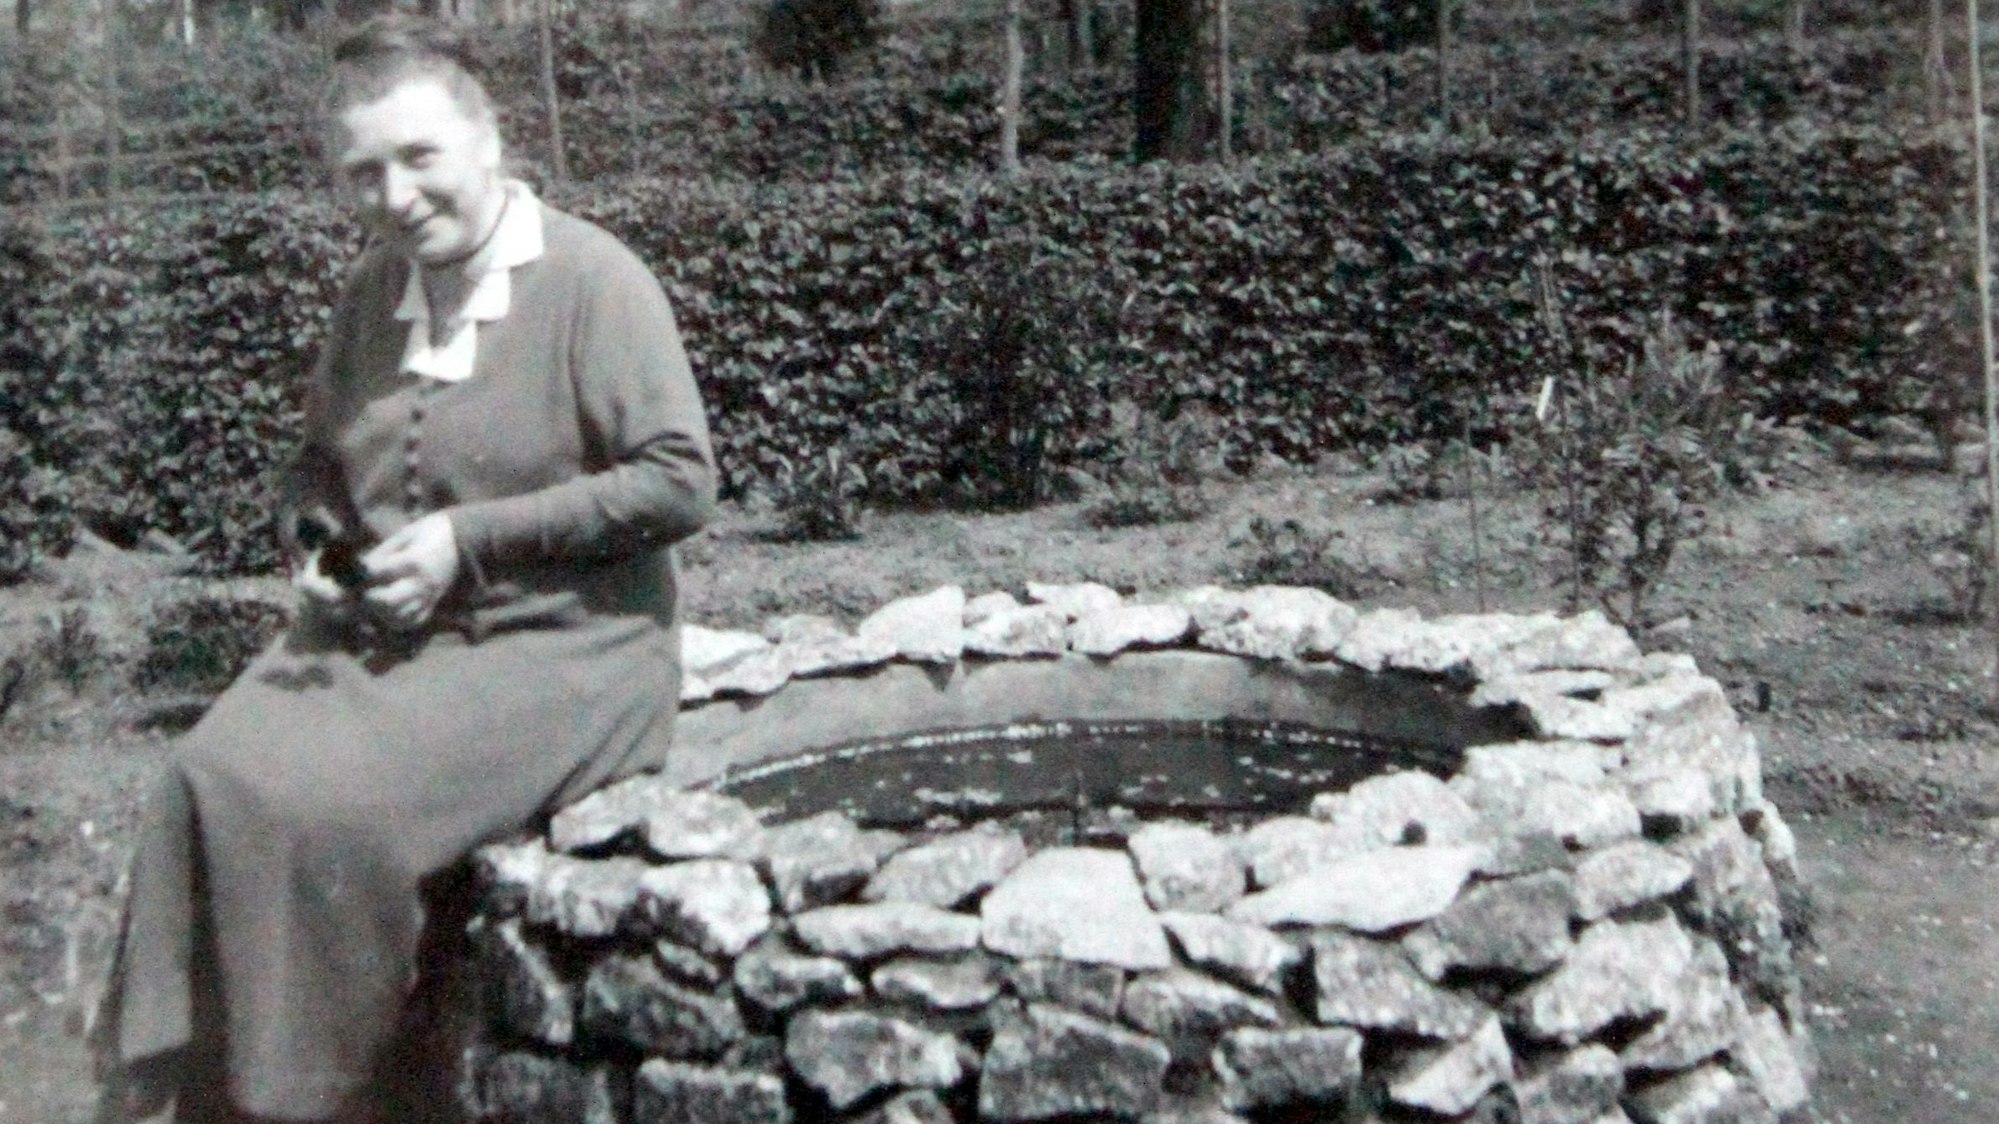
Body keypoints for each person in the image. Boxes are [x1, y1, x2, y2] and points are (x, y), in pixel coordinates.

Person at [96, 15, 717, 1123]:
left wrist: (468, 540)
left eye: (420, 156)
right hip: (385, 640)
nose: (396, 195)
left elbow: (679, 482)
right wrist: (317, 544)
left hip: (562, 650)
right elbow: (314, 466)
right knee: (204, 777)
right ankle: (209, 1092)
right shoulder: (371, 295)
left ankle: (325, 1098)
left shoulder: (592, 280)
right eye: (364, 172)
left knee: (330, 817)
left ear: (488, 140)